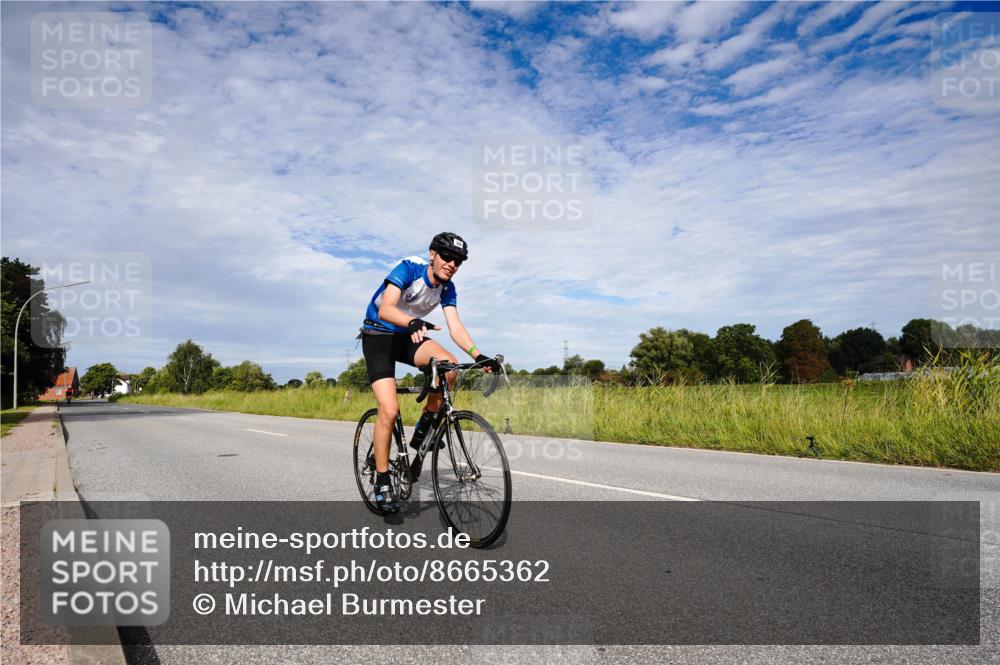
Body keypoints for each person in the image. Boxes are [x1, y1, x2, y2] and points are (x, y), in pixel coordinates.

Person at [359, 232, 497, 513]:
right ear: (432, 254)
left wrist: (478, 355)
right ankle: (382, 480)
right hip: (379, 336)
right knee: (389, 408)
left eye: (458, 261)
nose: (452, 264)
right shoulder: (408, 269)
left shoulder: (448, 288)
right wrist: (411, 321)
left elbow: (455, 327)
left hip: (411, 335)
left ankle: (426, 426)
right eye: (447, 257)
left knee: (449, 365)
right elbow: (386, 308)